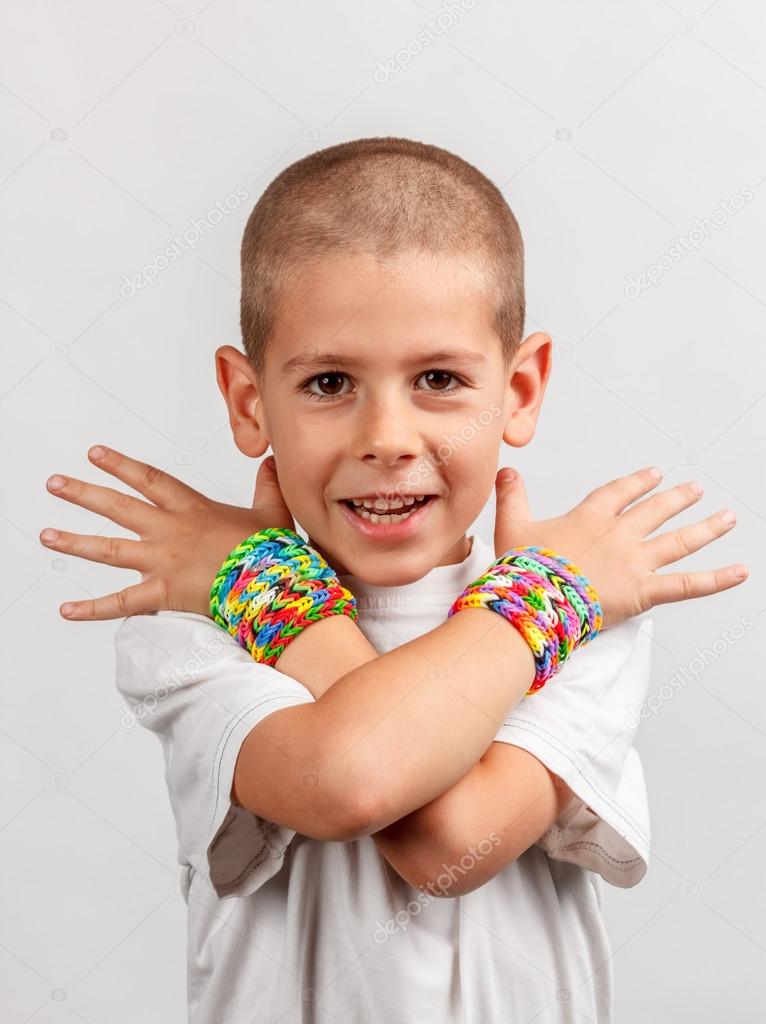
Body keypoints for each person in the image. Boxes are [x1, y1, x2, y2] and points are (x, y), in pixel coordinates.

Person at [40, 137, 747, 1023]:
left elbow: (454, 841)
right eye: (330, 381)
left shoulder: (585, 622)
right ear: (248, 401)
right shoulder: (196, 621)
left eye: (439, 379)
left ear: (520, 390)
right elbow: (353, 779)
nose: (387, 436)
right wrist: (271, 590)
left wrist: (541, 599)